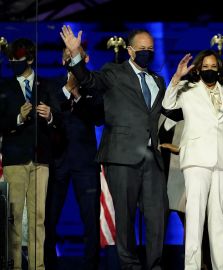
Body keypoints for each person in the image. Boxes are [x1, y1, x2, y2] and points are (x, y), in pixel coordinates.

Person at [60, 25, 180, 269]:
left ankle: (154, 265)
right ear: (130, 50)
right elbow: (89, 80)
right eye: (142, 49)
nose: (147, 52)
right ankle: (130, 266)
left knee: (158, 215)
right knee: (124, 218)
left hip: (152, 158)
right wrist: (75, 56)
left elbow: (164, 114)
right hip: (122, 156)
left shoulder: (158, 79)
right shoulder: (113, 72)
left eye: (151, 49)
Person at [162, 50, 223, 269]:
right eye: (205, 66)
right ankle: (192, 266)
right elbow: (168, 105)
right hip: (196, 158)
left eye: (213, 67)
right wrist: (177, 77)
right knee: (195, 218)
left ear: (219, 69)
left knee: (218, 218)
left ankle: (221, 266)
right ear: (198, 69)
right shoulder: (188, 90)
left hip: (222, 161)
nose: (209, 70)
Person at [0, 38, 60, 270]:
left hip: (41, 160)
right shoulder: (4, 87)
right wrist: (17, 118)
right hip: (15, 159)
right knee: (13, 218)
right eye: (11, 60)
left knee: (38, 219)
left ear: (31, 59)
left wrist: (51, 116)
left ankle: (37, 266)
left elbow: (60, 123)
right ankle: (14, 266)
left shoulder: (45, 86)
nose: (14, 63)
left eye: (19, 59)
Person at [44, 47, 104, 270]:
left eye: (75, 55)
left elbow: (99, 117)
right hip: (57, 161)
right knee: (49, 220)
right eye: (67, 55)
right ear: (62, 60)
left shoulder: (93, 84)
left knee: (90, 221)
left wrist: (78, 95)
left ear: (85, 59)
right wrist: (68, 91)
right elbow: (50, 115)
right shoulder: (51, 85)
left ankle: (91, 265)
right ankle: (49, 264)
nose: (70, 59)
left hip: (86, 162)